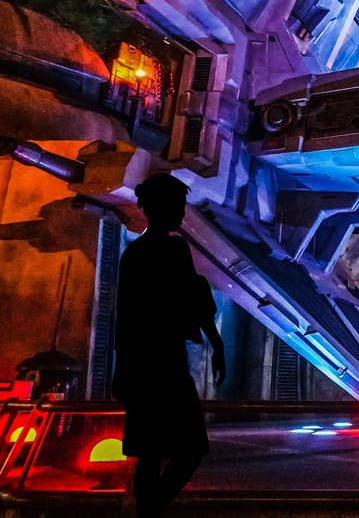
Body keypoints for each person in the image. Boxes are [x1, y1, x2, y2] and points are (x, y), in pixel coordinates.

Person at [112, 172, 225, 518]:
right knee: (188, 449)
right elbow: (193, 296)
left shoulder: (134, 255)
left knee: (149, 453)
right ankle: (152, 511)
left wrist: (123, 369)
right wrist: (216, 342)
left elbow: (128, 318)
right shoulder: (174, 250)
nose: (181, 212)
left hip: (142, 365)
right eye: (177, 205)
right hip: (165, 364)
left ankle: (149, 512)